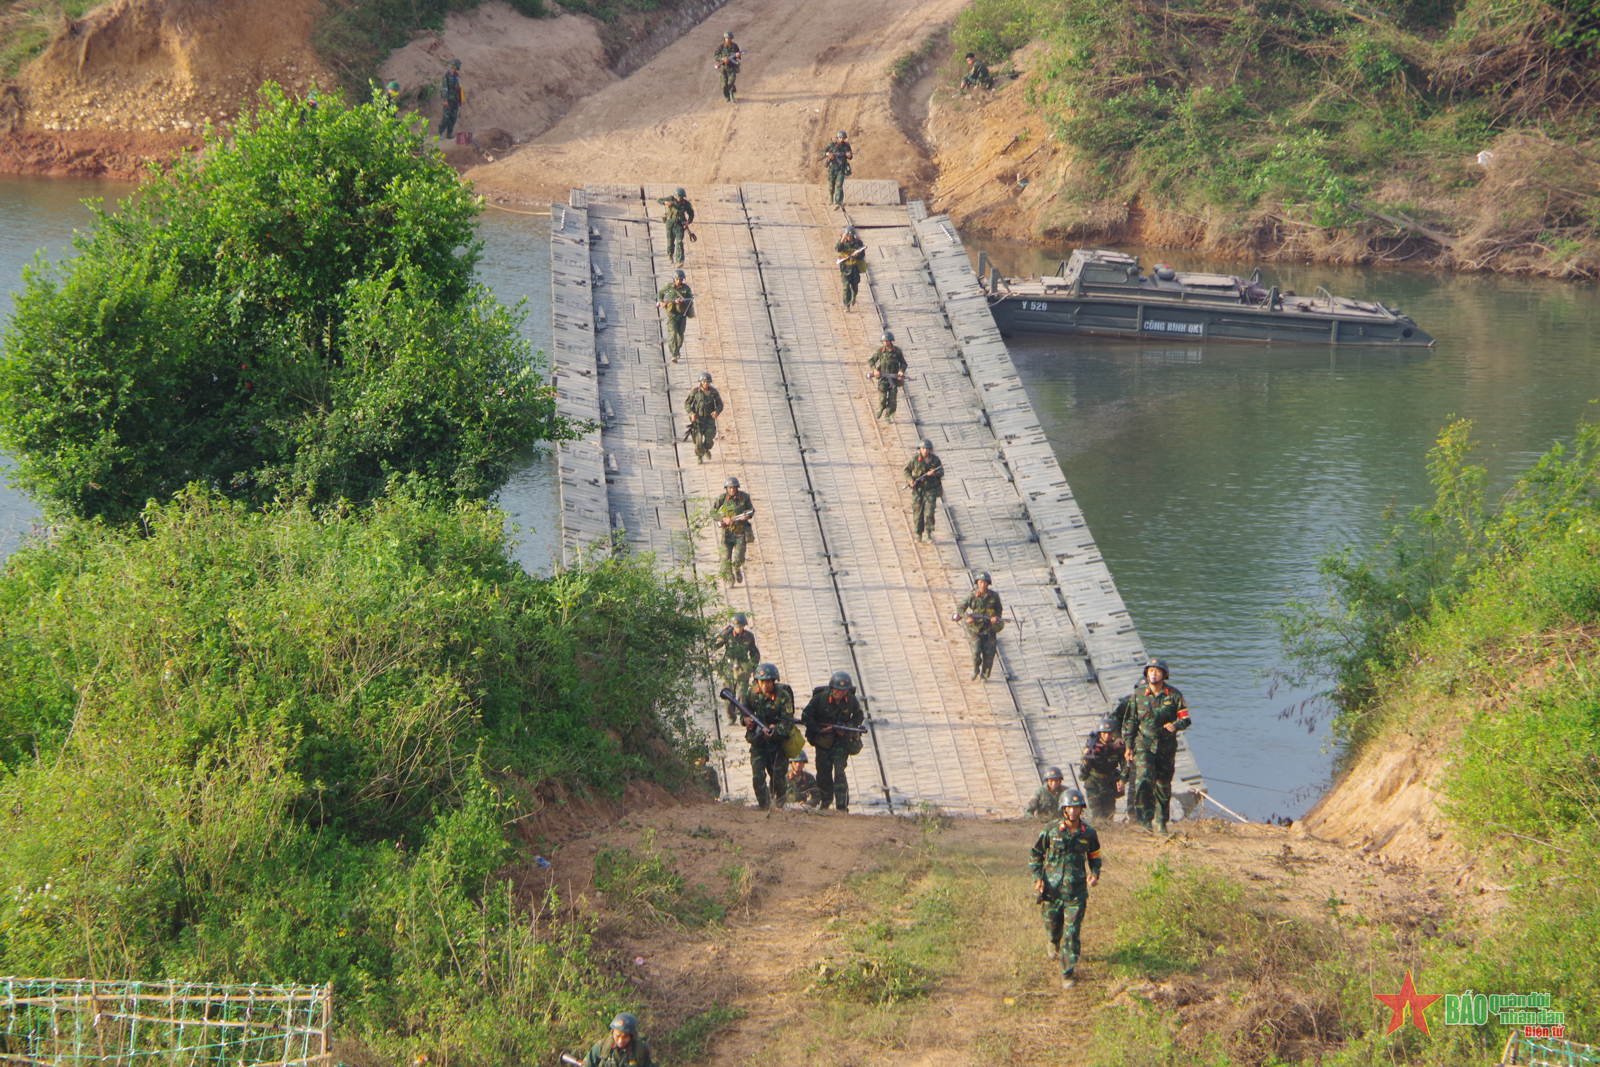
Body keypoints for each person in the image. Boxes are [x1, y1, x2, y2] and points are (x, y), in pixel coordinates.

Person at [1029, 790, 1102, 990]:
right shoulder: (1050, 830)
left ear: (1081, 810)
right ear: (1064, 809)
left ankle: (1067, 972)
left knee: (1072, 933)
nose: (1073, 811)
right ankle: (1052, 941)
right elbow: (1036, 855)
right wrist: (1038, 879)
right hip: (1051, 890)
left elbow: (1095, 857)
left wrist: (1094, 875)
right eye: (1069, 807)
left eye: (1076, 807)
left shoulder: (1089, 833)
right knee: (1053, 927)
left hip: (1076, 892)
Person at [1123, 657, 1191, 833]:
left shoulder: (1174, 695)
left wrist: (1175, 725)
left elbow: (1185, 718)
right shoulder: (1137, 695)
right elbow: (1130, 722)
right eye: (1151, 671)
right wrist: (1128, 747)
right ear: (1146, 674)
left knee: (1163, 784)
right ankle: (1144, 821)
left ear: (1164, 674)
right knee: (1143, 780)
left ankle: (1161, 822)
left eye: (1157, 671)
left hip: (1165, 746)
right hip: (1143, 743)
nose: (1154, 674)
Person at [801, 670, 866, 812]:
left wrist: (846, 728)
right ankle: (825, 802)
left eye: (843, 690)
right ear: (832, 687)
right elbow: (806, 716)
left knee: (839, 772)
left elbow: (858, 716)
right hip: (823, 741)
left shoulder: (851, 700)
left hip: (841, 742)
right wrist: (819, 730)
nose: (840, 693)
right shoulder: (820, 699)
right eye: (837, 689)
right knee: (823, 773)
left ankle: (842, 806)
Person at [743, 662, 795, 809]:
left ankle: (780, 801)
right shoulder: (752, 693)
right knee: (757, 777)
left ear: (773, 681)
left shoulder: (783, 697)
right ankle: (765, 807)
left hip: (777, 744)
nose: (764, 685)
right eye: (761, 681)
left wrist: (775, 729)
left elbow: (788, 723)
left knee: (778, 778)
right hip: (758, 742)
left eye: (767, 681)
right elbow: (744, 711)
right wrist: (746, 721)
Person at [953, 571, 1003, 681]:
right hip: (975, 629)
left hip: (989, 629)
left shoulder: (993, 596)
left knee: (989, 655)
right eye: (981, 582)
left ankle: (985, 675)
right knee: (976, 652)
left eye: (985, 583)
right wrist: (967, 617)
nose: (983, 585)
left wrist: (996, 617)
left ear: (988, 584)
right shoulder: (972, 596)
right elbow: (960, 608)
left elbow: (999, 609)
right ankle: (976, 669)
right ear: (977, 583)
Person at [712, 612, 760, 722]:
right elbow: (715, 647)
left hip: (743, 668)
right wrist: (719, 640)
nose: (738, 629)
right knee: (729, 695)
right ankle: (731, 717)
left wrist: (754, 667)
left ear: (744, 626)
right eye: (736, 627)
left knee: (742, 695)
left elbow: (754, 653)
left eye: (740, 626)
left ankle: (743, 718)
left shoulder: (749, 636)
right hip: (729, 668)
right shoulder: (727, 636)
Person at [1080, 717, 1127, 822]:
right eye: (1104, 733)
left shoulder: (1116, 748)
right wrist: (1086, 761)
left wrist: (1122, 780)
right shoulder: (1092, 747)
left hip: (1109, 786)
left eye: (1110, 733)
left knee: (1109, 816)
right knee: (1098, 818)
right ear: (1100, 734)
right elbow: (1082, 775)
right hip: (1094, 786)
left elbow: (1126, 766)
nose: (1107, 736)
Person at [713, 476, 755, 584]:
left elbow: (751, 510)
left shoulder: (744, 497)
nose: (731, 490)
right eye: (729, 488)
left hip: (740, 533)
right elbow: (712, 512)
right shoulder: (722, 498)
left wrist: (746, 517)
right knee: (725, 559)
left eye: (733, 488)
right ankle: (729, 578)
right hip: (727, 534)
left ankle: (737, 569)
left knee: (739, 558)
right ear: (726, 488)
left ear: (737, 488)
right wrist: (723, 519)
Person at [903, 438, 943, 543]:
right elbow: (906, 471)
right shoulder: (915, 460)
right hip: (918, 490)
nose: (924, 451)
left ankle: (928, 533)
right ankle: (919, 534)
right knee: (918, 513)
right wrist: (910, 480)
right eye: (923, 449)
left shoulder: (935, 460)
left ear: (930, 450)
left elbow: (941, 472)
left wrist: (933, 474)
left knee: (929, 512)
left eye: (927, 449)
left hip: (930, 490)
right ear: (919, 449)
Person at [582, 1013, 655, 1067]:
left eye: (625, 1037)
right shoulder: (602, 1046)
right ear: (613, 1032)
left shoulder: (642, 1049)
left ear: (632, 1036)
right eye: (617, 1036)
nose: (620, 1040)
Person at [683, 371, 723, 463]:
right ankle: (699, 456)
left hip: (709, 419)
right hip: (698, 419)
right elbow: (687, 404)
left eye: (708, 382)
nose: (705, 384)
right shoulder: (695, 392)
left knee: (709, 438)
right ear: (701, 382)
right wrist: (692, 414)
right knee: (698, 440)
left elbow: (720, 404)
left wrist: (716, 412)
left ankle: (706, 449)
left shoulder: (713, 392)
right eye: (704, 382)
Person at [656, 269, 694, 362]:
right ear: (674, 279)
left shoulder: (686, 289)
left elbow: (690, 300)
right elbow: (660, 293)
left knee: (680, 336)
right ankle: (674, 354)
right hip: (672, 315)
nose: (679, 281)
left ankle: (677, 349)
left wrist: (683, 302)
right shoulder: (669, 287)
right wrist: (661, 302)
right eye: (677, 279)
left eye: (681, 279)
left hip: (682, 316)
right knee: (673, 335)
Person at [868, 331, 907, 422]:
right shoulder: (880, 351)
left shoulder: (897, 351)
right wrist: (875, 370)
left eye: (887, 341)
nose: (885, 343)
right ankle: (881, 408)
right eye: (884, 341)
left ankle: (888, 416)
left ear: (891, 341)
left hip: (893, 379)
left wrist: (901, 372)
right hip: (883, 378)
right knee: (882, 398)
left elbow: (904, 363)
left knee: (892, 400)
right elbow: (871, 361)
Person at [656, 187, 695, 266]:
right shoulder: (671, 199)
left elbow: (691, 214)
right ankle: (670, 254)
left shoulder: (686, 204)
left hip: (680, 224)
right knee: (670, 241)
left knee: (679, 242)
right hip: (670, 223)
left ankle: (680, 260)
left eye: (680, 198)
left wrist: (688, 222)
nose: (679, 199)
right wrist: (665, 202)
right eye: (677, 198)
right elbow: (659, 200)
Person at [836, 225, 865, 309]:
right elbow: (838, 249)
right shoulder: (843, 243)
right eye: (848, 236)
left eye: (851, 236)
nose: (850, 238)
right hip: (845, 268)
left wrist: (857, 255)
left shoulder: (858, 243)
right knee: (846, 287)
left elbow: (862, 255)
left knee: (854, 286)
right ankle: (847, 305)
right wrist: (842, 240)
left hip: (855, 268)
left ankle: (853, 297)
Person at [822, 130, 853, 206]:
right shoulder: (832, 145)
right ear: (837, 137)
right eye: (840, 138)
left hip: (841, 168)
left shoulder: (846, 146)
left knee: (839, 186)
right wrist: (828, 154)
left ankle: (838, 202)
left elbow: (850, 155)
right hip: (832, 168)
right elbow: (823, 152)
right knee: (831, 185)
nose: (841, 139)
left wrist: (849, 155)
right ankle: (831, 197)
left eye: (843, 138)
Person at [714, 32, 743, 103]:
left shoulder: (735, 46)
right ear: (724, 39)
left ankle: (731, 95)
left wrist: (738, 55)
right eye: (726, 38)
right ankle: (727, 96)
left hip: (732, 67)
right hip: (723, 68)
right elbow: (716, 56)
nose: (728, 40)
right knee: (723, 84)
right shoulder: (721, 47)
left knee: (731, 82)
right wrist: (722, 59)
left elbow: (738, 55)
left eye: (729, 38)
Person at [439, 59, 463, 139]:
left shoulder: (456, 75)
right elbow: (444, 88)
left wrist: (459, 99)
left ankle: (449, 133)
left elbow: (457, 88)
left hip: (455, 99)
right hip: (448, 100)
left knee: (453, 117)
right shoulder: (446, 75)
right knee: (446, 117)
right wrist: (445, 100)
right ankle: (440, 133)